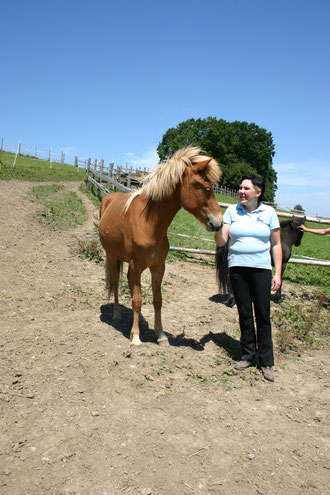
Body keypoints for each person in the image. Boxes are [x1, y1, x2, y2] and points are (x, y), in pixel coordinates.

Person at [215, 175, 282, 382]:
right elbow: (222, 240)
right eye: (240, 188)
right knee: (244, 312)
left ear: (258, 192)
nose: (241, 191)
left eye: (246, 188)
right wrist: (216, 230)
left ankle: (266, 360)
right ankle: (248, 354)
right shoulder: (232, 211)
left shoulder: (269, 213)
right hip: (237, 269)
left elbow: (276, 244)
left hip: (261, 270)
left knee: (262, 314)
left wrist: (277, 272)